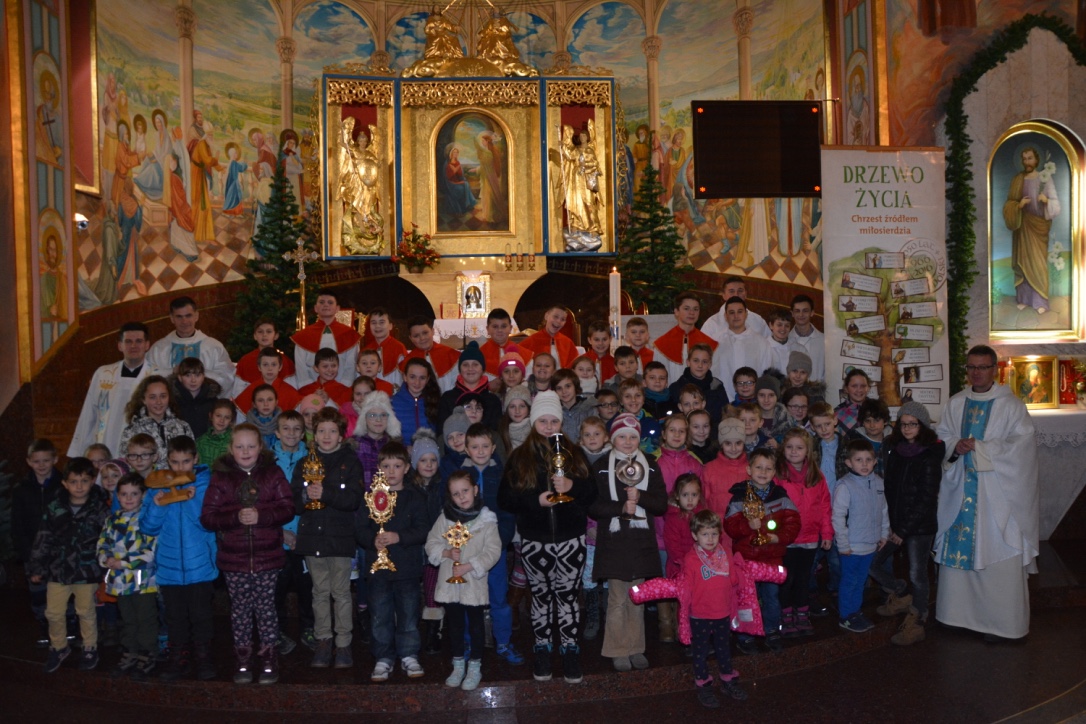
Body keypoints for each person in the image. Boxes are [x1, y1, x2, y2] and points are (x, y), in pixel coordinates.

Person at [935, 345, 1038, 642]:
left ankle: (1002, 625)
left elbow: (1023, 446)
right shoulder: (956, 403)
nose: (976, 373)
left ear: (995, 369)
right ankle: (956, 616)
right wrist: (956, 445)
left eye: (982, 367)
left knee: (998, 553)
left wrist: (981, 448)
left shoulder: (1011, 406)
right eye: (971, 367)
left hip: (998, 495)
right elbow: (942, 436)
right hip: (960, 490)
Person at [498, 391, 596, 684]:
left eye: (554, 421)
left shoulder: (574, 453)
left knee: (568, 597)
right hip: (534, 540)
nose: (549, 426)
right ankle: (542, 648)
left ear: (561, 422)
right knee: (540, 598)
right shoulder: (520, 456)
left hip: (570, 540)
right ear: (533, 422)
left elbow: (593, 493)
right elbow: (505, 498)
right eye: (543, 421)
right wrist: (534, 501)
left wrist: (573, 486)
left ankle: (570, 649)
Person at [200, 424, 294, 684]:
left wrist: (262, 516)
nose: (245, 451)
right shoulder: (221, 477)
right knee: (240, 611)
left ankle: (269, 658)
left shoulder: (272, 473)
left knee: (266, 610)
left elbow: (287, 508)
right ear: (230, 449)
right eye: (239, 446)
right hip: (234, 558)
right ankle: (242, 659)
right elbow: (208, 517)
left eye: (251, 446)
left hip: (267, 556)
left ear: (260, 447)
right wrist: (235, 517)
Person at [590, 413, 668, 672]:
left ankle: (636, 647)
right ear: (612, 439)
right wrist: (621, 507)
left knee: (637, 598)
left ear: (639, 439)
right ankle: (617, 649)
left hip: (640, 541)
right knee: (617, 599)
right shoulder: (602, 466)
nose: (627, 441)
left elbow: (661, 504)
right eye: (621, 436)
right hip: (614, 542)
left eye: (632, 437)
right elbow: (593, 506)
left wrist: (640, 496)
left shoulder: (650, 465)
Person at [291, 408, 363, 670]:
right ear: (314, 434)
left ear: (341, 435)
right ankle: (323, 640)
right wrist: (305, 496)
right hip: (313, 538)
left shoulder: (350, 462)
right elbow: (293, 501)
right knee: (319, 592)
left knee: (341, 593)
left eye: (332, 431)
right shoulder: (304, 463)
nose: (327, 435)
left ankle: (343, 643)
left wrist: (326, 494)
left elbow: (354, 499)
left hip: (340, 538)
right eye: (321, 430)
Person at [868, 400, 944, 645]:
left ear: (923, 425)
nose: (908, 428)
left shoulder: (930, 454)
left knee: (917, 573)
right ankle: (902, 593)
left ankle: (918, 620)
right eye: (903, 424)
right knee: (873, 563)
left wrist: (902, 529)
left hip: (919, 527)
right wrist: (891, 523)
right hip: (897, 523)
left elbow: (926, 499)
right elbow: (890, 489)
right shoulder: (895, 449)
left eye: (913, 424)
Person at [28, 457, 111, 674]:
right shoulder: (55, 507)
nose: (79, 486)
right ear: (65, 483)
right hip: (58, 570)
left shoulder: (99, 509)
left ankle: (90, 648)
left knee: (86, 611)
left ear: (92, 481)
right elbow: (43, 537)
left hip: (87, 570)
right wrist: (37, 567)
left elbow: (108, 538)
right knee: (54, 612)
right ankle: (59, 647)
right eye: (74, 481)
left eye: (84, 481)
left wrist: (105, 564)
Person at [356, 442, 430, 682]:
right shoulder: (370, 497)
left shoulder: (415, 497)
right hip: (377, 569)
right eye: (386, 466)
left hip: (407, 568)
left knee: (408, 615)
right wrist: (372, 540)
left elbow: (423, 529)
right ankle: (383, 657)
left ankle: (409, 654)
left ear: (407, 468)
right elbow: (359, 529)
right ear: (378, 467)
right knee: (379, 615)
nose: (391, 471)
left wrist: (400, 537)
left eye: (397, 466)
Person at [426, 470, 501, 691]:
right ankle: (458, 664)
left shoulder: (486, 520)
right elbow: (431, 542)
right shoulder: (445, 518)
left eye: (465, 491)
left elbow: (493, 551)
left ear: (475, 490)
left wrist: (470, 566)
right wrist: (447, 553)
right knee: (455, 626)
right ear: (450, 497)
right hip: (450, 584)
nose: (462, 497)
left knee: (476, 626)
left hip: (473, 583)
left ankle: (475, 665)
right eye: (456, 494)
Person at [723, 447, 800, 654]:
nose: (763, 472)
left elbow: (794, 523)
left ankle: (772, 630)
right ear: (749, 469)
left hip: (772, 558)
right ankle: (745, 635)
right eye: (759, 467)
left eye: (768, 468)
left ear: (774, 472)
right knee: (747, 598)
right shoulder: (739, 496)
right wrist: (747, 526)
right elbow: (729, 526)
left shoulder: (781, 496)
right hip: (746, 559)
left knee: (772, 597)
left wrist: (778, 537)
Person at [461, 423, 525, 665]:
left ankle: (503, 643)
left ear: (493, 448)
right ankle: (470, 643)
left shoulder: (502, 475)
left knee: (499, 598)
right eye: (475, 446)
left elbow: (508, 513)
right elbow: (451, 511)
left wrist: (498, 542)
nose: (480, 451)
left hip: (494, 551)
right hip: (467, 551)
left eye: (485, 446)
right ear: (466, 449)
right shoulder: (460, 475)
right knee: (469, 599)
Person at [682, 510, 748, 708]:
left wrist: (740, 573)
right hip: (700, 614)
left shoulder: (725, 553)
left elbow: (732, 579)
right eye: (705, 534)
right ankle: (703, 683)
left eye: (714, 534)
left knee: (724, 648)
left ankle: (728, 679)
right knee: (700, 651)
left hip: (722, 612)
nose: (710, 539)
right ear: (695, 535)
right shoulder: (691, 559)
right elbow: (686, 589)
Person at [96, 473, 158, 679]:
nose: (129, 498)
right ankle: (130, 650)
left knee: (145, 618)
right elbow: (103, 543)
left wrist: (123, 562)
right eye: (124, 494)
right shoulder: (112, 519)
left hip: (144, 581)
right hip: (121, 582)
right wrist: (105, 558)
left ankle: (147, 652)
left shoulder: (148, 518)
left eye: (134, 493)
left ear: (143, 495)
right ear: (117, 496)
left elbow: (151, 553)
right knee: (128, 618)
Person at [69, 322, 160, 458]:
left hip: (140, 451)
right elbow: (89, 413)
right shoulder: (103, 374)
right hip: (105, 443)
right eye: (128, 341)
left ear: (147, 345)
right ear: (119, 345)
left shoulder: (158, 375)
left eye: (138, 341)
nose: (133, 346)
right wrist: (79, 452)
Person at [775, 429, 833, 638]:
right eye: (789, 447)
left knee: (803, 578)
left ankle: (802, 613)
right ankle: (786, 615)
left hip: (809, 539)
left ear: (807, 451)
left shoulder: (816, 476)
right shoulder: (778, 476)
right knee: (786, 579)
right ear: (783, 449)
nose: (794, 451)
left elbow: (825, 506)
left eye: (799, 447)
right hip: (787, 540)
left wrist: (827, 533)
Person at [832, 439, 889, 634]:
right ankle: (846, 616)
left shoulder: (879, 482)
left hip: (870, 544)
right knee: (850, 581)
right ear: (849, 463)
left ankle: (855, 612)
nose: (864, 464)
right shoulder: (845, 486)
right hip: (852, 545)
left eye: (868, 460)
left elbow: (883, 510)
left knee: (861, 580)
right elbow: (838, 517)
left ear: (875, 462)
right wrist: (843, 544)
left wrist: (884, 534)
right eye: (858, 460)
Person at [13, 439, 63, 646]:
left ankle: (67, 626)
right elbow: (17, 525)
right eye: (36, 461)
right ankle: (44, 625)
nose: (41, 465)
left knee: (62, 590)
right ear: (29, 462)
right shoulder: (21, 489)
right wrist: (27, 554)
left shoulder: (64, 485)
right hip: (34, 552)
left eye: (46, 460)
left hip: (59, 551)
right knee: (39, 592)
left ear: (55, 460)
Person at [1003, 147, 1060, 313]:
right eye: (1024, 159)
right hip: (1022, 227)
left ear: (1037, 160)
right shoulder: (1017, 180)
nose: (1027, 162)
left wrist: (1046, 200)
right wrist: (1019, 205)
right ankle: (1024, 299)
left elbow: (1056, 205)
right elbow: (1008, 204)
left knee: (1038, 264)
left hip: (1039, 227)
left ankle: (1040, 301)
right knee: (1023, 263)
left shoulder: (1045, 178)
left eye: (1030, 158)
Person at [147, 297, 235, 389]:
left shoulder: (213, 346)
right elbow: (147, 375)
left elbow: (227, 377)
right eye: (179, 317)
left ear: (196, 316)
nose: (184, 321)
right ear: (172, 318)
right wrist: (172, 371)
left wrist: (198, 372)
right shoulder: (159, 348)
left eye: (188, 316)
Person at [292, 291, 361, 389]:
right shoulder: (303, 335)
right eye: (322, 302)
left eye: (330, 302)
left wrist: (344, 387)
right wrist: (308, 388)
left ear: (337, 308)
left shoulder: (349, 334)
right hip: (312, 390)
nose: (326, 305)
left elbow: (351, 365)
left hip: (342, 389)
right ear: (316, 308)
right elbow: (301, 367)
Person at [118, 375, 194, 460]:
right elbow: (125, 462)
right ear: (143, 400)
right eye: (152, 397)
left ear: (169, 397)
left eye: (163, 396)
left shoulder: (183, 427)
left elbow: (191, 458)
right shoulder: (132, 431)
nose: (159, 402)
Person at [712, 297, 772, 402]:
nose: (736, 316)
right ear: (725, 316)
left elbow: (765, 373)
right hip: (722, 399)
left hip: (752, 402)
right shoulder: (715, 341)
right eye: (731, 312)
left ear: (746, 314)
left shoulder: (761, 342)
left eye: (740, 312)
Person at [651, 293, 717, 384]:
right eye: (686, 308)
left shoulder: (708, 343)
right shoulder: (663, 343)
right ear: (676, 311)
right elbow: (659, 376)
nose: (692, 313)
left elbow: (714, 375)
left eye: (695, 309)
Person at [438, 341, 502, 433]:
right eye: (465, 365)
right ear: (460, 369)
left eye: (475, 364)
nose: (470, 368)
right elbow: (442, 432)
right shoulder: (447, 398)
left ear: (483, 369)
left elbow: (495, 434)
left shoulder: (493, 401)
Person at [701, 418, 750, 521]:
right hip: (716, 527)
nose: (733, 448)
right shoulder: (709, 469)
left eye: (738, 443)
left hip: (746, 527)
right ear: (721, 444)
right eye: (728, 443)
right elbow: (704, 502)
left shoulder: (751, 469)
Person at [700, 277, 771, 342]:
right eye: (731, 291)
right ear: (723, 295)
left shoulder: (758, 321)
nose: (736, 295)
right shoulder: (711, 324)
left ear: (746, 294)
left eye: (740, 291)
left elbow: (769, 345)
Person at [401, 317, 461, 393]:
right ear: (411, 338)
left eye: (425, 333)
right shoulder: (408, 361)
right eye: (416, 336)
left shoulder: (450, 354)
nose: (422, 338)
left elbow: (457, 382)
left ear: (432, 331)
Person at [392, 357, 441, 444]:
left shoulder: (437, 402)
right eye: (412, 377)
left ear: (428, 379)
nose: (417, 382)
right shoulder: (392, 403)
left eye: (422, 378)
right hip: (400, 452)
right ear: (405, 377)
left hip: (429, 452)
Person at [171, 357, 223, 439]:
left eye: (197, 375)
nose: (193, 380)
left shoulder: (213, 400)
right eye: (188, 375)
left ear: (203, 376)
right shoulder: (172, 400)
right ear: (180, 378)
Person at [362, 307, 405, 388]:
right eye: (373, 323)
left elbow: (404, 375)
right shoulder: (366, 350)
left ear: (390, 326)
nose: (377, 326)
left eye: (381, 322)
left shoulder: (399, 348)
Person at [788, 294, 825, 382]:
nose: (801, 314)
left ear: (812, 313)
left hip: (817, 389)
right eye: (797, 311)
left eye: (805, 311)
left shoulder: (824, 341)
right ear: (792, 313)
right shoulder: (786, 340)